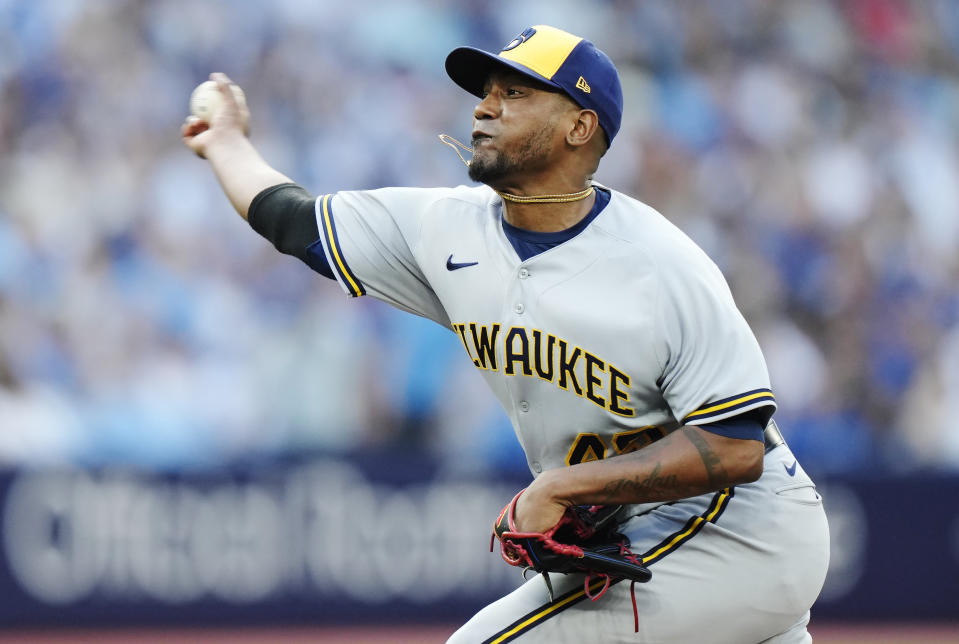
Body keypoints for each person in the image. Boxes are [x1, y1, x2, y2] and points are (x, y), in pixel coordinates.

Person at [182, 24, 829, 644]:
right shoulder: (444, 229)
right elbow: (294, 222)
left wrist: (561, 487)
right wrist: (226, 141)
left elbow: (736, 448)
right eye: (486, 92)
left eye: (515, 93)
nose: (484, 108)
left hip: (737, 531)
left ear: (580, 125)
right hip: (644, 538)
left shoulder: (661, 263)